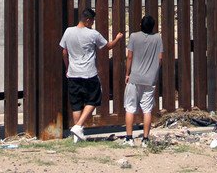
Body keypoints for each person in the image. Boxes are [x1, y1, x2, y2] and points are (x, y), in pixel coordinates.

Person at [60, 8, 124, 142]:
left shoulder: (68, 31)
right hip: (89, 73)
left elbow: (64, 52)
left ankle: (77, 136)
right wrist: (117, 39)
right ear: (88, 20)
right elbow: (109, 46)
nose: (93, 23)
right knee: (94, 99)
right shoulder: (93, 34)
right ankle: (78, 127)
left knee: (76, 104)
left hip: (73, 73)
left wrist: (67, 67)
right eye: (92, 20)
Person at [122, 15, 163, 147]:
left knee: (130, 107)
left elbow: (129, 57)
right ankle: (145, 139)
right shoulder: (157, 38)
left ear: (140, 24)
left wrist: (127, 73)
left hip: (135, 77)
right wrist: (154, 71)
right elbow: (160, 58)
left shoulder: (134, 36)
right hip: (150, 79)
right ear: (153, 26)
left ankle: (129, 138)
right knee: (147, 109)